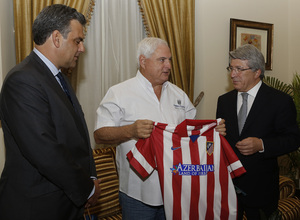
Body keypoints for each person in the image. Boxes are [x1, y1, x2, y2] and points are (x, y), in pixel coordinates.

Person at [94, 37, 226, 220]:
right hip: (137, 194)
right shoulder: (119, 93)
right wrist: (130, 131)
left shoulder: (178, 94)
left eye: (170, 60)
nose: (169, 65)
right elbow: (99, 135)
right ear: (143, 61)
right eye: (162, 60)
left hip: (177, 190)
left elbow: (193, 136)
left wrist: (213, 133)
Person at [0, 4, 100, 220]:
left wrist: (92, 175)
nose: (82, 48)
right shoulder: (22, 80)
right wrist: (87, 188)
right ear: (56, 38)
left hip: (65, 202)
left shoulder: (60, 78)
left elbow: (78, 134)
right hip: (38, 207)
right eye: (78, 40)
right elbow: (46, 150)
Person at [216, 44, 300, 220]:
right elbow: (221, 142)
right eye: (231, 68)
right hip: (228, 187)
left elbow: (293, 139)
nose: (232, 74)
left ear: (257, 72)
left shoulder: (280, 101)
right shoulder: (224, 101)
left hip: (262, 189)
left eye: (239, 69)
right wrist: (215, 133)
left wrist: (262, 144)